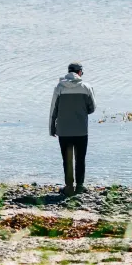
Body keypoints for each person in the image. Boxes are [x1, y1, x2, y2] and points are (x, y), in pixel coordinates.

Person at [49, 62, 96, 196]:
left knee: (67, 159)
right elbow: (92, 108)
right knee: (80, 159)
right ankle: (80, 187)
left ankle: (69, 187)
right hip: (81, 130)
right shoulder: (86, 87)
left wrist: (52, 128)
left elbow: (53, 109)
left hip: (63, 131)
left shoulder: (59, 87)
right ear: (80, 72)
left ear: (69, 72)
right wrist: (81, 112)